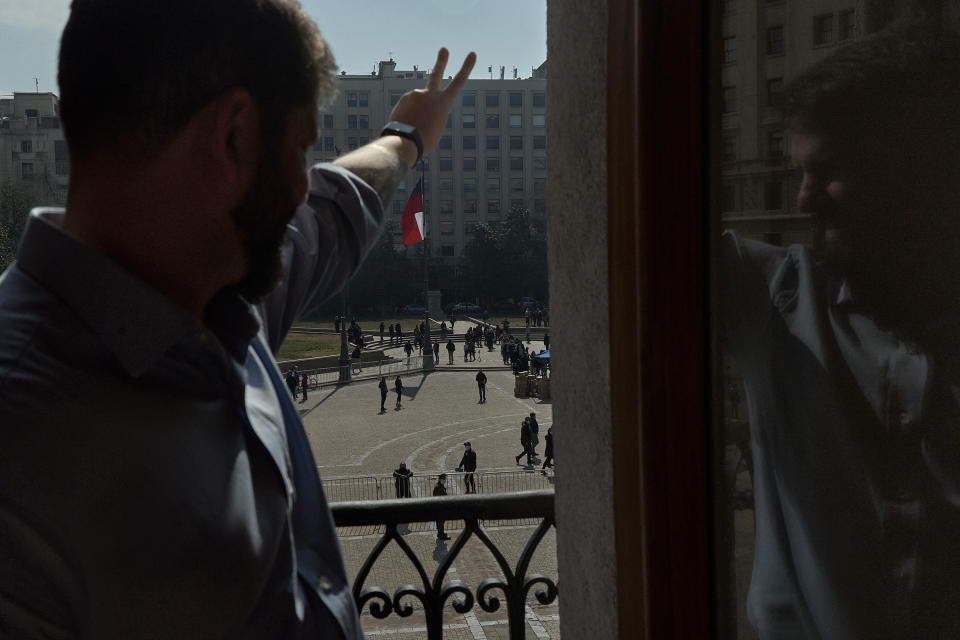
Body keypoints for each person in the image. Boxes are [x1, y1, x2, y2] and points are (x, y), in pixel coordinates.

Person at [0, 1, 476, 635]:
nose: (302, 189)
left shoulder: (210, 289)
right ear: (232, 135)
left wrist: (406, 139)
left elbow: (340, 207)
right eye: (299, 148)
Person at [723, 28, 960, 638]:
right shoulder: (776, 299)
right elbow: (620, 231)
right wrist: (431, 140)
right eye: (796, 172)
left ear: (919, 170)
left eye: (827, 171)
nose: (804, 200)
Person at [432, 473, 451, 540]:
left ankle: (440, 533)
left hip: (439, 506)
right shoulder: (439, 487)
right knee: (440, 521)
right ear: (440, 479)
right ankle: (441, 535)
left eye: (445, 479)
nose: (444, 480)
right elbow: (440, 498)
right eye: (443, 479)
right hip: (440, 506)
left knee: (440, 521)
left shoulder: (440, 485)